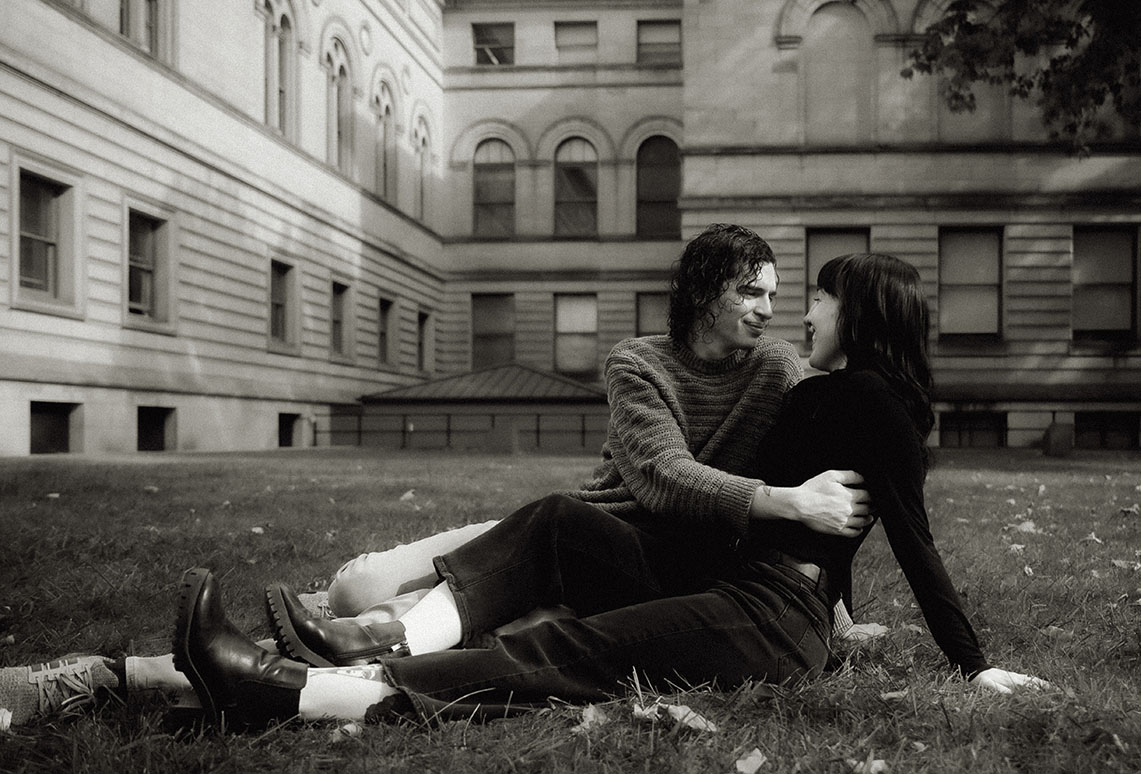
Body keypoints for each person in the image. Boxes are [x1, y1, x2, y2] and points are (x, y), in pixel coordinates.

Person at [1, 224, 871, 725]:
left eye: (776, 295)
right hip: (583, 531)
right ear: (708, 290)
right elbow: (659, 474)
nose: (770, 309)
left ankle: (115, 676)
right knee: (359, 592)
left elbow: (821, 495)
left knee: (455, 640)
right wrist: (771, 499)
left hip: (645, 573)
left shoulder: (783, 371)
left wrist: (831, 606)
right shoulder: (637, 361)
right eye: (753, 292)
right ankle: (326, 641)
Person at [171, 251, 1048, 729]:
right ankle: (383, 635)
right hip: (720, 574)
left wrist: (974, 664)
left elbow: (906, 537)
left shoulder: (877, 409)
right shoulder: (811, 390)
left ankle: (289, 695)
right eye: (772, 296)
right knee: (555, 521)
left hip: (770, 613)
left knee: (572, 653)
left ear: (857, 315)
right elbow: (798, 508)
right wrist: (802, 532)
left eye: (813, 299)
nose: (796, 314)